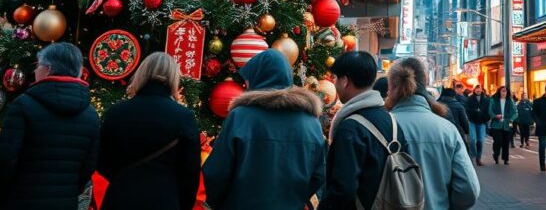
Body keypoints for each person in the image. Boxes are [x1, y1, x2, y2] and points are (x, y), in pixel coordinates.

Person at [203, 49, 325, 210]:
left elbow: (217, 173)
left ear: (258, 78)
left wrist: (216, 202)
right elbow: (318, 175)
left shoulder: (240, 117)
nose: (246, 84)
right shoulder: (311, 123)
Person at [0, 43, 100, 210]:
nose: (34, 71)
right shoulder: (90, 114)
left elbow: (4, 160)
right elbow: (88, 165)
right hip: (64, 203)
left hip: (21, 201)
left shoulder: (23, 105)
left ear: (48, 69)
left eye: (37, 65)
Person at [97, 53, 200, 210]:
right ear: (173, 77)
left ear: (141, 73)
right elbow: (190, 171)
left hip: (121, 196)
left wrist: (123, 177)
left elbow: (102, 160)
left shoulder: (117, 111)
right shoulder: (184, 116)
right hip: (164, 199)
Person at [385, 58, 480, 209]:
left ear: (390, 86)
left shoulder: (379, 127)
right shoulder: (447, 130)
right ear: (426, 81)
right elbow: (469, 190)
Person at [320, 51, 405, 210]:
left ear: (345, 81)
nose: (335, 84)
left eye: (336, 78)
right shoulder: (391, 121)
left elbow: (342, 189)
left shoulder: (350, 128)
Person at [488, 86, 517, 165]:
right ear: (499, 92)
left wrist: (511, 119)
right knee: (498, 141)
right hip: (496, 124)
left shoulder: (510, 101)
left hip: (507, 124)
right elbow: (490, 111)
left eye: (505, 91)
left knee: (506, 142)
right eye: (502, 91)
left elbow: (515, 112)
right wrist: (495, 116)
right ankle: (496, 154)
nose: (504, 93)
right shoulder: (493, 100)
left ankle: (505, 158)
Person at [465, 85, 491, 165]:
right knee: (472, 140)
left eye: (480, 89)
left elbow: (488, 111)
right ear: (474, 90)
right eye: (477, 89)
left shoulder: (486, 100)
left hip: (482, 122)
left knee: (480, 141)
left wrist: (485, 118)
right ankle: (474, 155)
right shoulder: (469, 99)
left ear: (482, 90)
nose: (478, 90)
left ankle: (478, 158)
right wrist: (475, 112)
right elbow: (467, 110)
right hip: (472, 121)